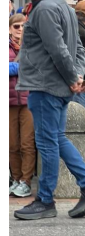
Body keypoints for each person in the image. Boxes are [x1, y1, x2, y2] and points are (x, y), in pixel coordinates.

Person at [14, 0, 85, 220]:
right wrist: (76, 77)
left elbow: (58, 49)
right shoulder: (64, 8)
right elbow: (78, 48)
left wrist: (72, 77)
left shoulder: (43, 9)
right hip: (57, 86)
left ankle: (45, 200)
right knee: (56, 138)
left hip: (45, 86)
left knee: (47, 142)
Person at [9, 13, 35, 198]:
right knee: (11, 144)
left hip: (28, 100)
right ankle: (16, 179)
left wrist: (14, 67)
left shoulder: (32, 46)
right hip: (9, 101)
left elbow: (35, 66)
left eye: (22, 26)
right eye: (16, 26)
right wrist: (19, 67)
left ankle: (26, 182)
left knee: (27, 144)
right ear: (9, 28)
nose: (19, 30)